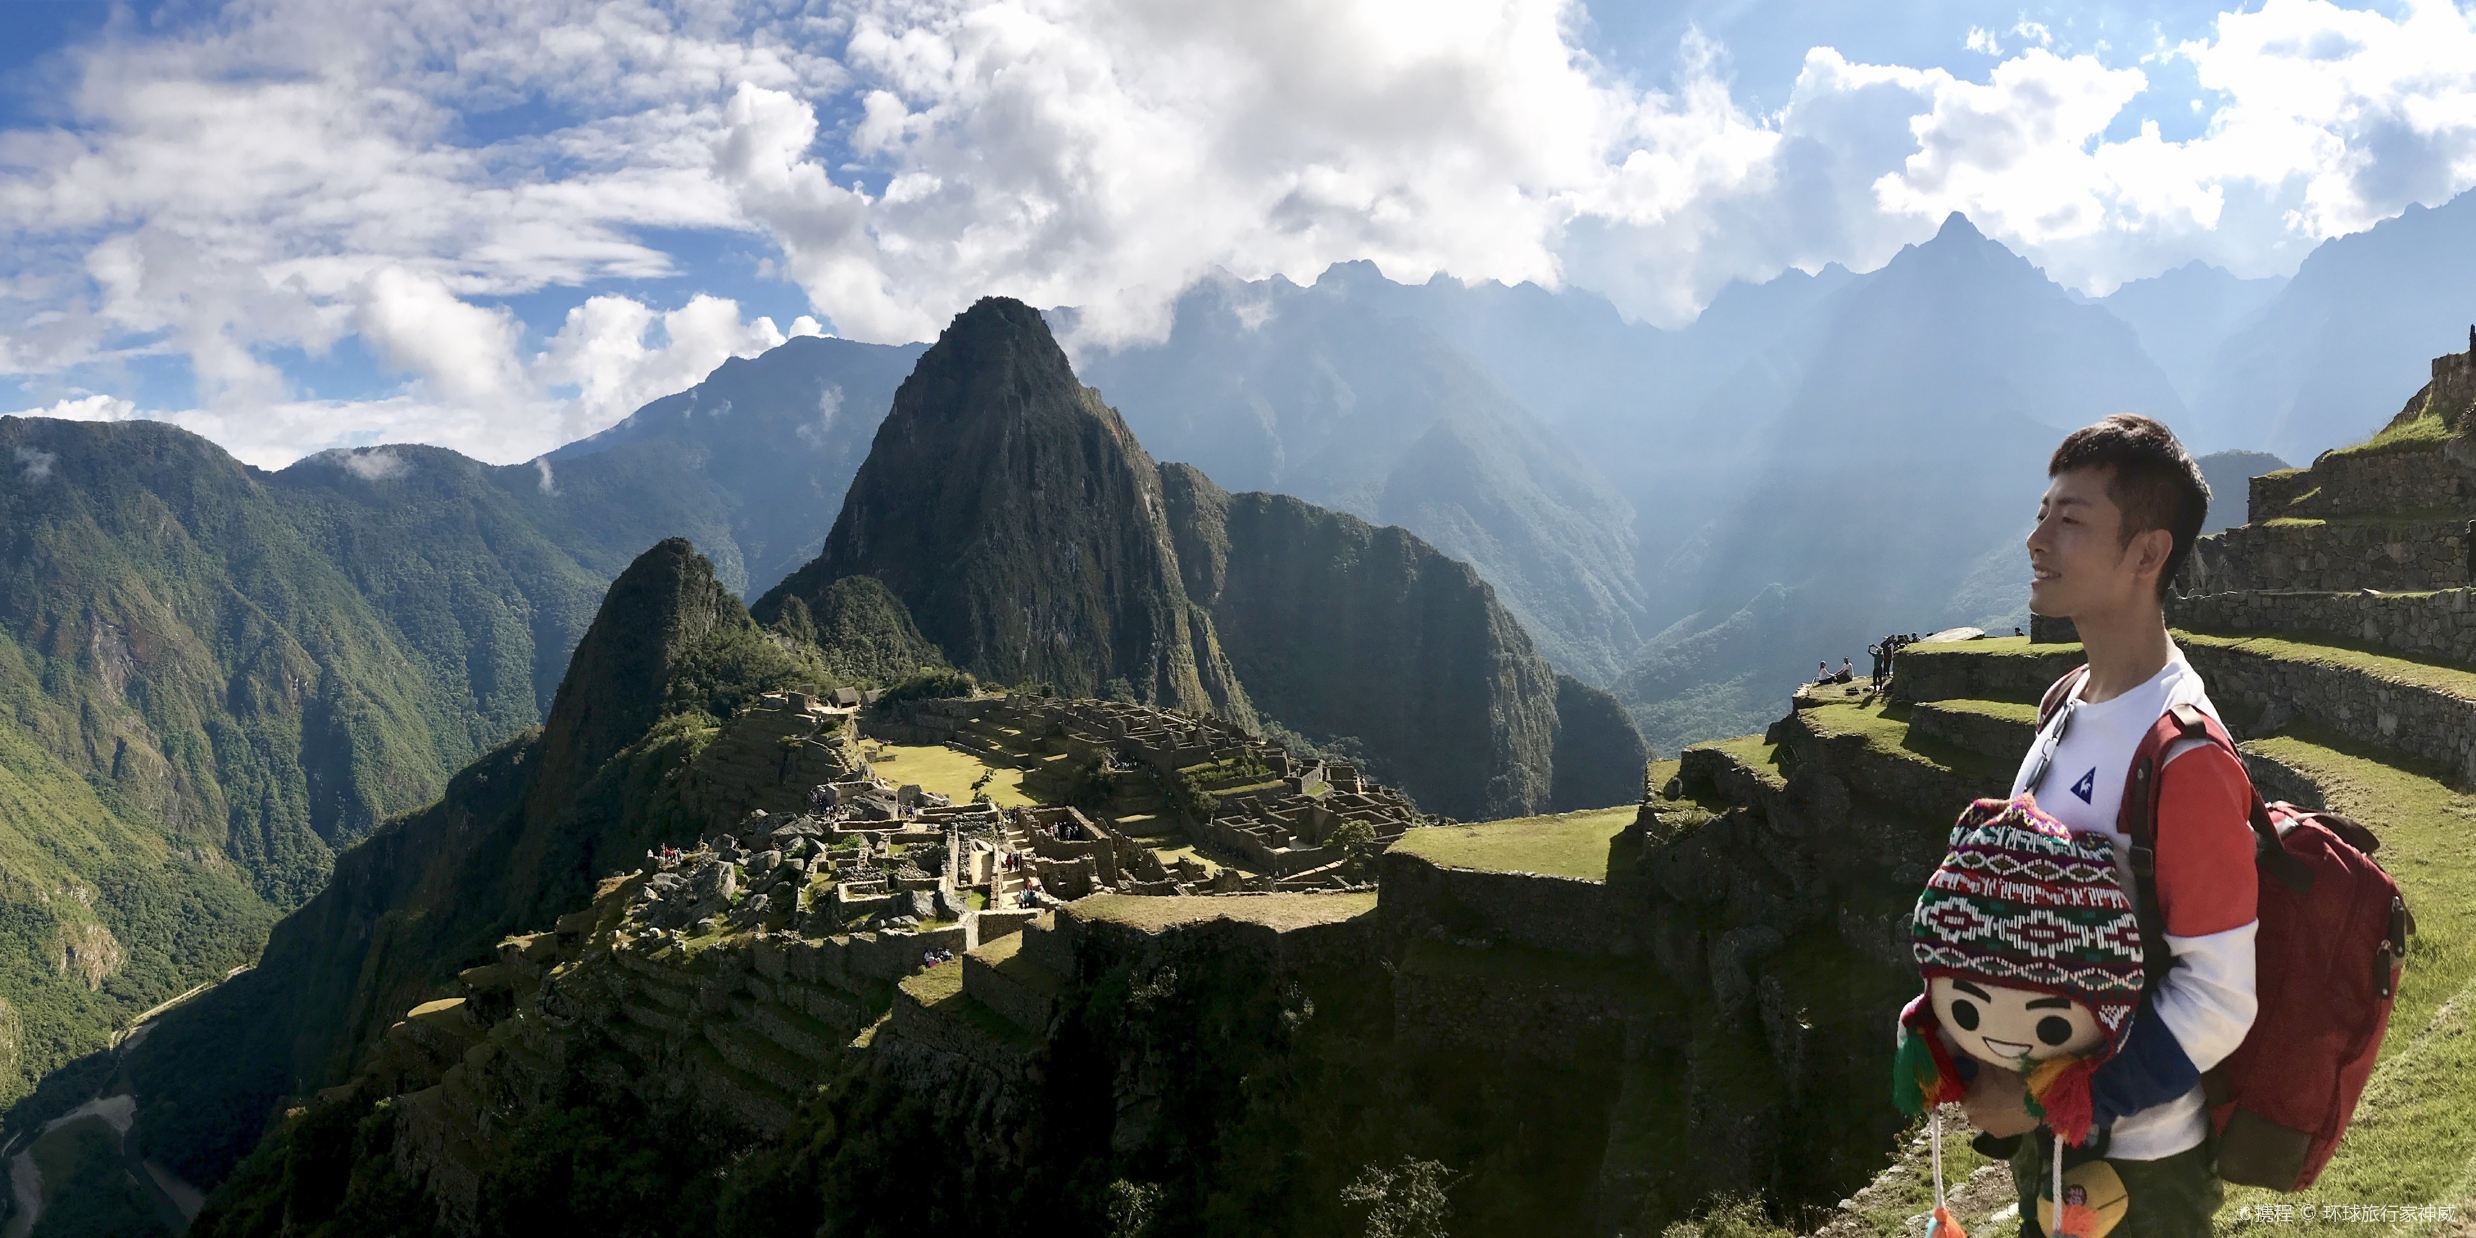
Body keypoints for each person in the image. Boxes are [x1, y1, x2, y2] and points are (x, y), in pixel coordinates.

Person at [1965, 413, 2259, 1236]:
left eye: (2070, 519)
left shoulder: (2185, 754)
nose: (2035, 539)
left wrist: (2042, 1095)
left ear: (2147, 554)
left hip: (2139, 1177)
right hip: (2056, 1145)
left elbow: (2218, 999)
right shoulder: (2066, 703)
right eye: (2041, 512)